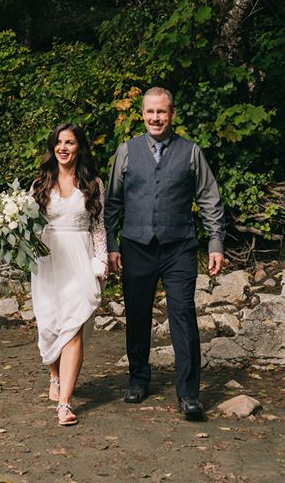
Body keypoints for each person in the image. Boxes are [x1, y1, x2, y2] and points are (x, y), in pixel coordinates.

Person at [104, 87, 225, 420]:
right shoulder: (126, 151)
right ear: (142, 114)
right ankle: (138, 380)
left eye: (162, 112)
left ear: (172, 114)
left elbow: (210, 199)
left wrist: (215, 242)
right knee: (138, 315)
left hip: (179, 247)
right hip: (136, 245)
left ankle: (188, 394)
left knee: (183, 316)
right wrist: (111, 245)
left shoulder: (191, 152)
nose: (155, 117)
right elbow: (112, 202)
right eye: (150, 112)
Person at [31, 123, 108, 426]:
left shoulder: (93, 183)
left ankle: (65, 403)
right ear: (53, 148)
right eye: (59, 143)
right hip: (48, 261)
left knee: (74, 326)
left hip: (80, 257)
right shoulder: (40, 183)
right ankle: (55, 376)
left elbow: (99, 226)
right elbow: (28, 226)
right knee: (49, 326)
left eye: (70, 143)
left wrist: (101, 260)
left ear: (79, 148)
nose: (63, 148)